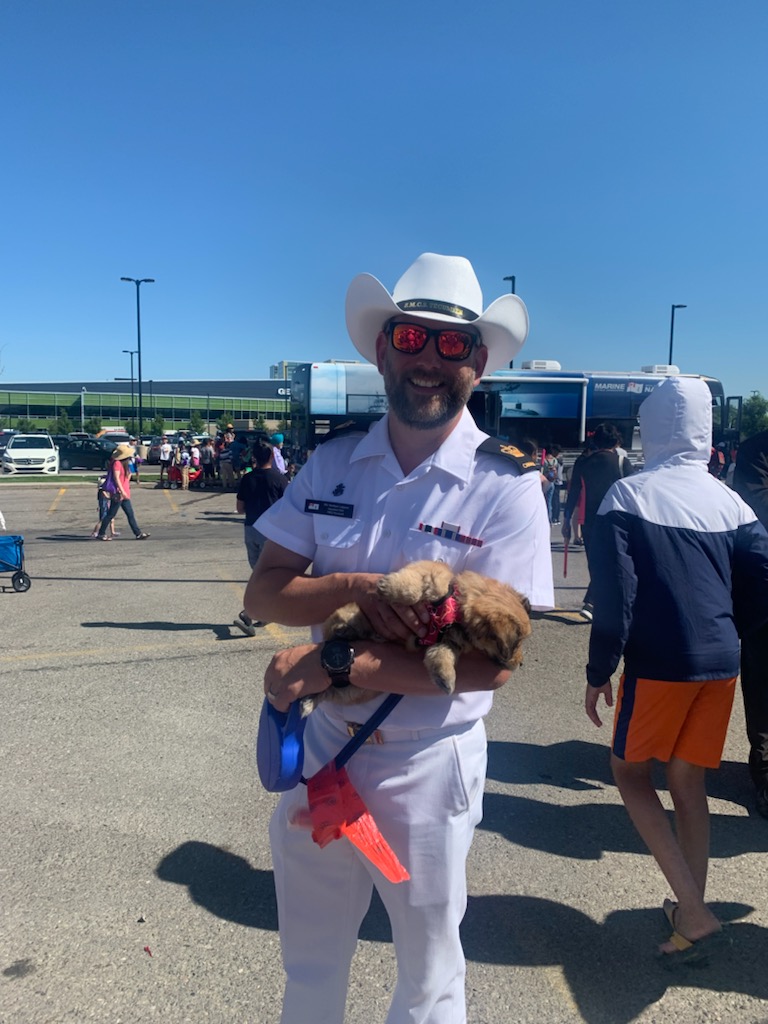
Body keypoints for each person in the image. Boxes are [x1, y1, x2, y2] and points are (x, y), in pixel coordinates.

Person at [244, 252, 554, 1023]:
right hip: (328, 750)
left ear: (478, 363)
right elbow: (264, 591)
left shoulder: (506, 483)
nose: (429, 362)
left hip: (427, 764)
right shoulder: (334, 460)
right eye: (412, 339)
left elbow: (492, 668)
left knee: (427, 980)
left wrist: (334, 659)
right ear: (382, 348)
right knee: (309, 965)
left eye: (453, 346)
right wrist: (357, 589)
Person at [584, 378, 768, 967]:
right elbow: (760, 586)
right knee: (688, 784)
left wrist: (599, 669)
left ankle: (693, 911)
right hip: (723, 660)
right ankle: (690, 906)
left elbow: (616, 598)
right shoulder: (731, 500)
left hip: (661, 662)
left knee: (630, 774)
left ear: (650, 427)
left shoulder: (627, 495)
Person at [732, 428, 768, 818]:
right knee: (762, 686)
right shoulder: (757, 449)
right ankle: (764, 771)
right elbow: (757, 505)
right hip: (764, 589)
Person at [562, 424, 632, 620]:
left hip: (590, 519)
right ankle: (594, 603)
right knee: (611, 561)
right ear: (616, 441)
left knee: (595, 562)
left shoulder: (583, 463)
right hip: (617, 519)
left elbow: (573, 493)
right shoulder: (622, 462)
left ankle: (593, 602)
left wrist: (567, 520)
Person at [232, 441, 289, 636]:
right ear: (272, 457)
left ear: (254, 457)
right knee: (267, 577)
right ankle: (251, 613)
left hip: (251, 529)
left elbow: (240, 508)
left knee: (258, 573)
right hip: (272, 532)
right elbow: (288, 508)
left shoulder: (247, 479)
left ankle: (259, 612)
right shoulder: (280, 479)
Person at [96, 444, 151, 541]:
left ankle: (138, 533)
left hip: (125, 492)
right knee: (110, 514)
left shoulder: (126, 463)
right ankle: (101, 533)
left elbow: (127, 477)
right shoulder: (117, 463)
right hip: (118, 493)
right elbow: (116, 479)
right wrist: (121, 491)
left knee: (130, 514)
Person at [90, 473, 119, 538]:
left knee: (112, 519)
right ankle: (95, 532)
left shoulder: (104, 491)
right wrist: (110, 497)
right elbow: (105, 498)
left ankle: (113, 532)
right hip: (104, 506)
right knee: (102, 519)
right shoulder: (102, 491)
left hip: (106, 505)